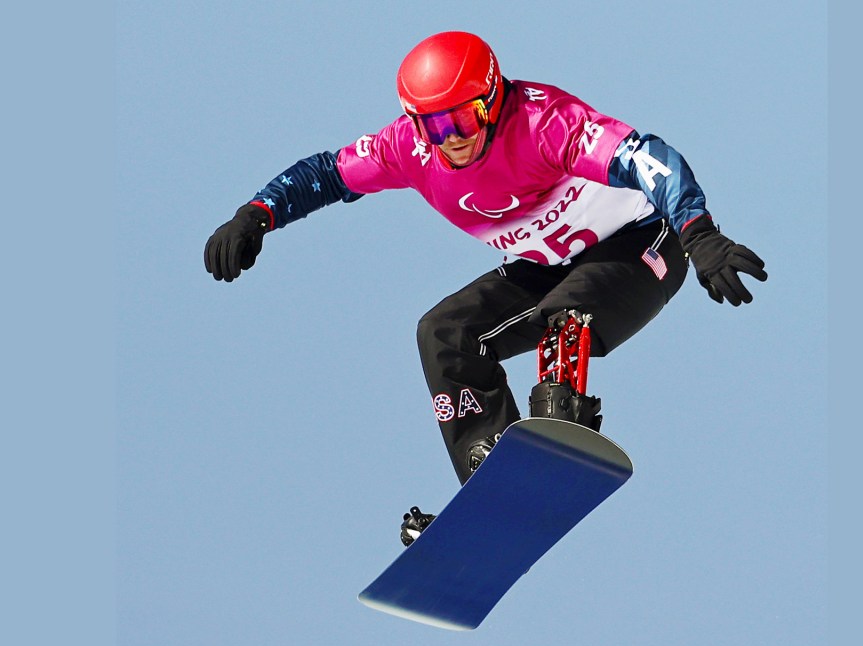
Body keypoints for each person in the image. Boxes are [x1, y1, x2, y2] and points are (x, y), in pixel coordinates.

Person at [204, 31, 767, 545]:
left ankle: (558, 430)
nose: (452, 142)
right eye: (435, 128)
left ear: (493, 100)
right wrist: (257, 215)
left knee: (563, 314)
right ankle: (490, 473)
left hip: (643, 239)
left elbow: (650, 158)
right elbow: (327, 173)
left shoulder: (545, 124)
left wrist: (701, 235)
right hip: (547, 262)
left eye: (464, 122)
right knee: (445, 331)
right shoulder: (409, 149)